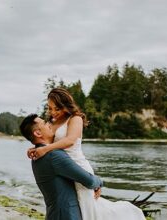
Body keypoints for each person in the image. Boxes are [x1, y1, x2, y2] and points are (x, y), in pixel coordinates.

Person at [28, 87, 146, 220]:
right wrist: (35, 147)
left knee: (88, 208)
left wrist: (45, 149)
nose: (53, 112)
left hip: (77, 165)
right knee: (72, 205)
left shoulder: (75, 119)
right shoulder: (51, 122)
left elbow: (70, 140)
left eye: (57, 108)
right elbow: (44, 139)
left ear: (66, 106)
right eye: (50, 108)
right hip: (62, 168)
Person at [19, 114, 103, 220]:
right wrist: (99, 182)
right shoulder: (54, 156)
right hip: (66, 215)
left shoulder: (37, 155)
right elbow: (89, 181)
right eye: (45, 123)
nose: (49, 124)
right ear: (38, 133)